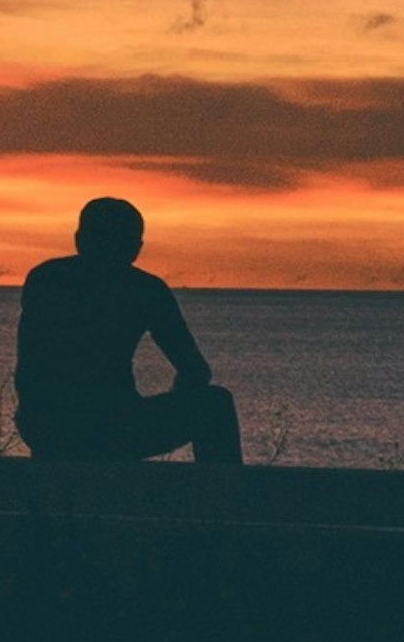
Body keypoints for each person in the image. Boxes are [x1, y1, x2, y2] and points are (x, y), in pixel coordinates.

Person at [15, 196, 241, 468]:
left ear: (79, 239)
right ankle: (224, 502)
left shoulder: (45, 278)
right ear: (136, 249)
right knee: (216, 404)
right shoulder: (145, 290)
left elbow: (31, 364)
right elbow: (196, 371)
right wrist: (175, 397)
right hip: (116, 428)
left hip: (45, 427)